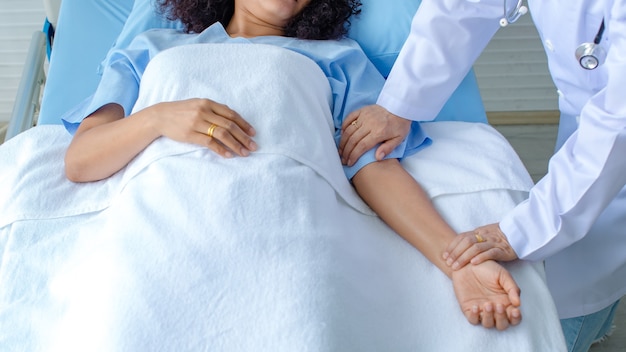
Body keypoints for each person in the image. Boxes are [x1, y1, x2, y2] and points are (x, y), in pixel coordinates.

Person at [63, 0, 523, 330]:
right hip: (160, 228)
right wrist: (159, 118)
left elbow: (374, 169)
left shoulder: (340, 59)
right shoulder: (152, 48)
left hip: (285, 227)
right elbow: (81, 160)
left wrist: (457, 263)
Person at [338, 0, 626, 350]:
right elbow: (462, 6)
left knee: (573, 290)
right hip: (593, 115)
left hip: (614, 127)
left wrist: (521, 231)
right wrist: (399, 103)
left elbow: (617, 125)